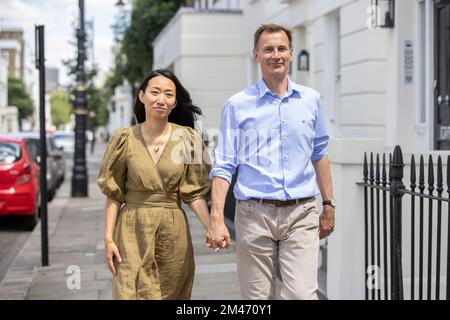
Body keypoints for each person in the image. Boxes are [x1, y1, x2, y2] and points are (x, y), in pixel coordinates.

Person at [207, 23, 335, 300]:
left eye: (281, 48)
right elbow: (224, 163)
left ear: (290, 53)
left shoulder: (311, 100)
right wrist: (216, 217)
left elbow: (320, 153)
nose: (275, 55)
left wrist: (328, 204)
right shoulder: (238, 105)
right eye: (268, 49)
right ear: (256, 54)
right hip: (254, 214)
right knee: (258, 298)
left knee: (302, 295)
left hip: (300, 213)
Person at [97, 69, 211, 300]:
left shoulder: (188, 139)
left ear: (174, 102)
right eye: (155, 92)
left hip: (173, 233)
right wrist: (108, 239)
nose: (161, 99)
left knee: (171, 292)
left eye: (168, 94)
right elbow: (114, 194)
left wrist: (212, 227)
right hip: (131, 230)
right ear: (142, 96)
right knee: (128, 291)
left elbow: (194, 193)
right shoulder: (124, 139)